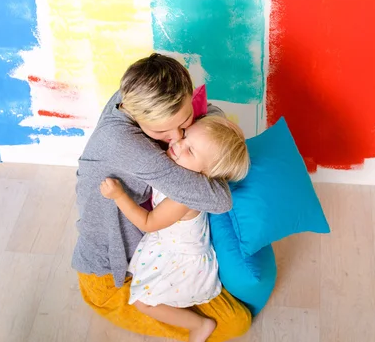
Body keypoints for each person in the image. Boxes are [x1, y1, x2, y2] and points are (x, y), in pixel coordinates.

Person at [72, 53, 251, 341]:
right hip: (111, 274)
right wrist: (211, 151)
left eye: (184, 123)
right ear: (135, 112)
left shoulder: (145, 89)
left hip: (158, 253)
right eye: (160, 131)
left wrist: (207, 132)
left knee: (235, 316)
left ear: (187, 95)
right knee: (235, 323)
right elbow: (220, 199)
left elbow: (211, 114)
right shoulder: (126, 143)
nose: (176, 138)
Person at [99, 115, 250, 342]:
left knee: (144, 302)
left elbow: (148, 222)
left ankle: (199, 324)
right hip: (167, 243)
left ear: (205, 173)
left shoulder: (184, 197)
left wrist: (119, 195)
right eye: (186, 135)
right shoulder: (184, 171)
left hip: (181, 259)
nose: (178, 144)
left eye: (190, 150)